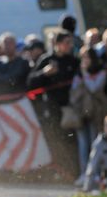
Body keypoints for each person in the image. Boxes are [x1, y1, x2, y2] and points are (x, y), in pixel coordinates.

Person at [27, 30, 80, 175]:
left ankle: (75, 172)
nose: (69, 46)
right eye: (66, 43)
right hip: (52, 109)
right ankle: (61, 173)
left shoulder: (74, 61)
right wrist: (44, 73)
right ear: (57, 44)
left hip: (70, 108)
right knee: (57, 142)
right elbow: (31, 82)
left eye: (71, 43)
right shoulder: (46, 59)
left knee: (72, 142)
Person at [70, 46, 107, 186]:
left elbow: (94, 87)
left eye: (87, 57)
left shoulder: (100, 72)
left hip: (96, 112)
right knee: (83, 144)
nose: (84, 60)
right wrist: (82, 75)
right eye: (82, 57)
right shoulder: (78, 73)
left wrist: (85, 74)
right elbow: (74, 91)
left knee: (95, 143)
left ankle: (96, 175)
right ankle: (84, 174)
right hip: (82, 112)